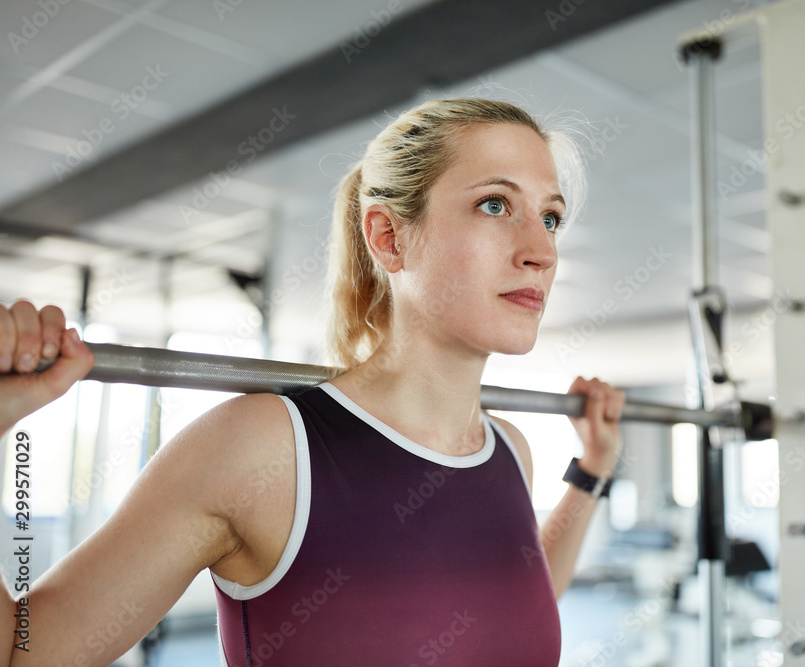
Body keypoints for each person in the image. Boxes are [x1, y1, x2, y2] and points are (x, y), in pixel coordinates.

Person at [0, 98, 625, 666]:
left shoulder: (510, 451)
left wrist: (591, 469)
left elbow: (521, 589)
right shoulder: (261, 449)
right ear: (389, 237)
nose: (541, 250)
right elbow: (26, 653)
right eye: (496, 204)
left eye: (550, 217)